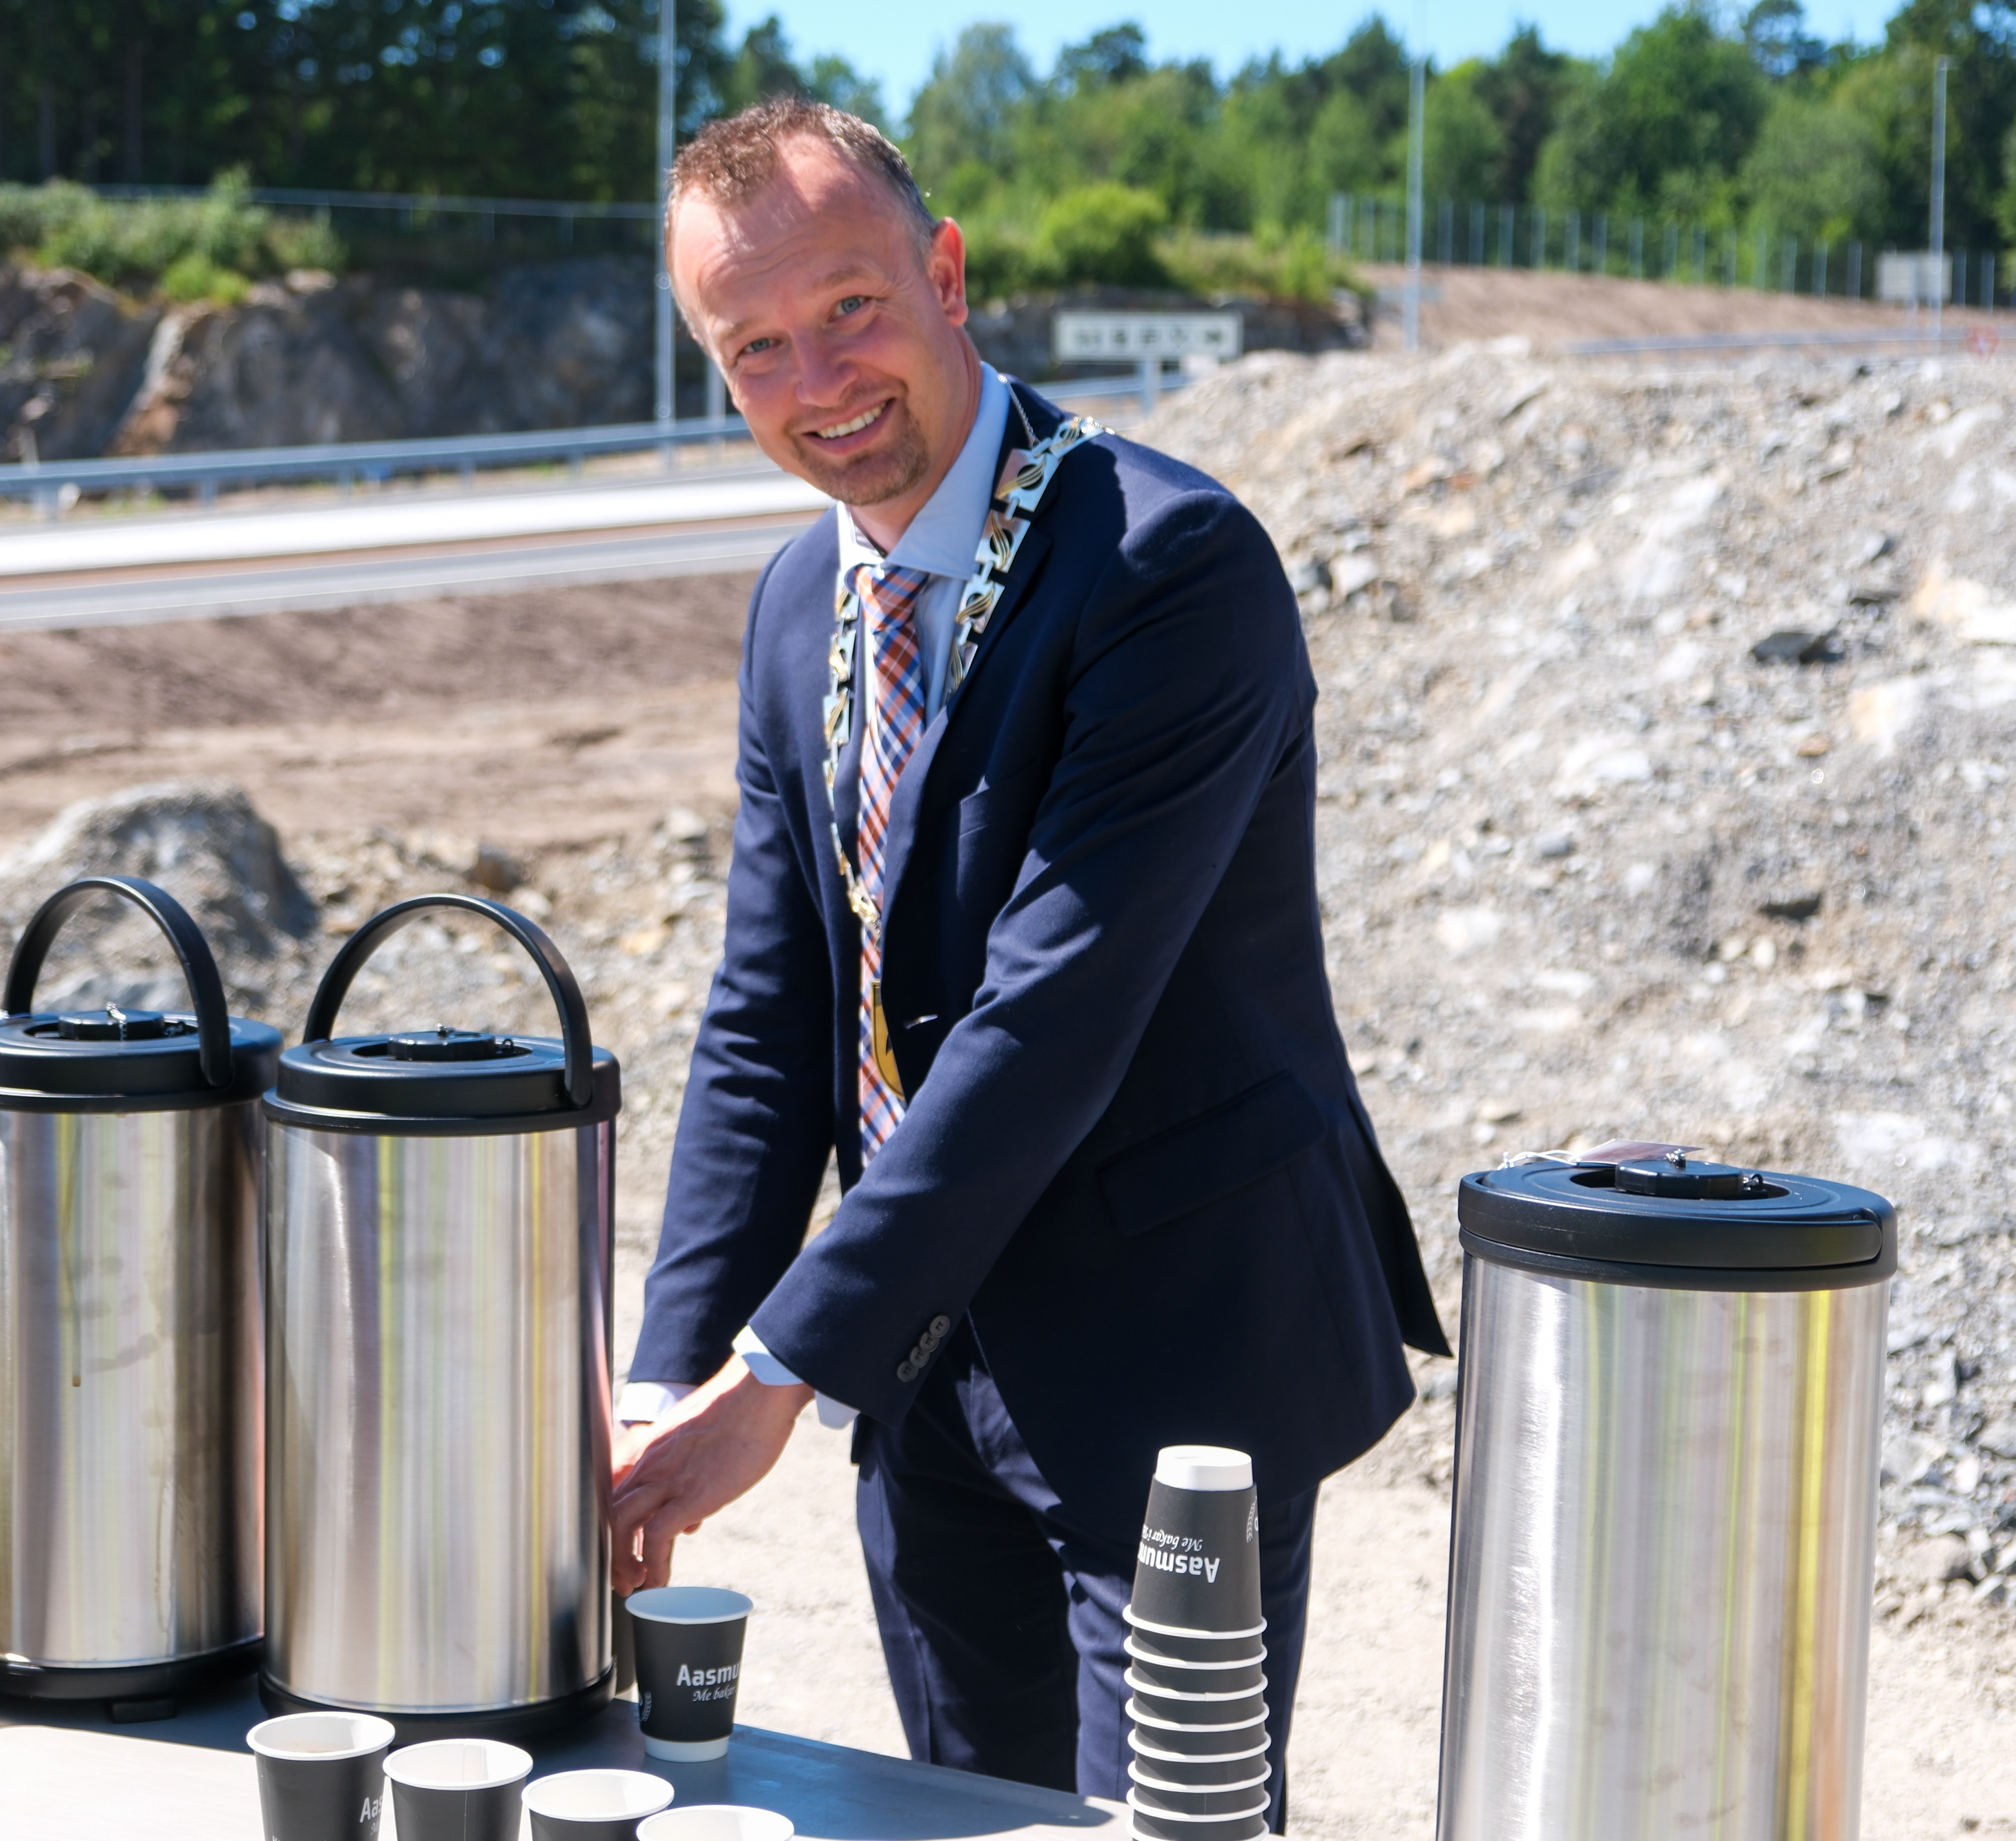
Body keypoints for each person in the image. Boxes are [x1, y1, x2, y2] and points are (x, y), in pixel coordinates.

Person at [609, 97, 1447, 1825]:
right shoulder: (792, 606)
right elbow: (772, 1023)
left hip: (1173, 1363)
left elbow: (1051, 1013)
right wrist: (658, 1377)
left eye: (847, 306)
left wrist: (775, 1372)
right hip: (928, 1362)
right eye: (752, 345)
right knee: (959, 1814)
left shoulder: (1162, 563)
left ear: (944, 269)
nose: (819, 379)